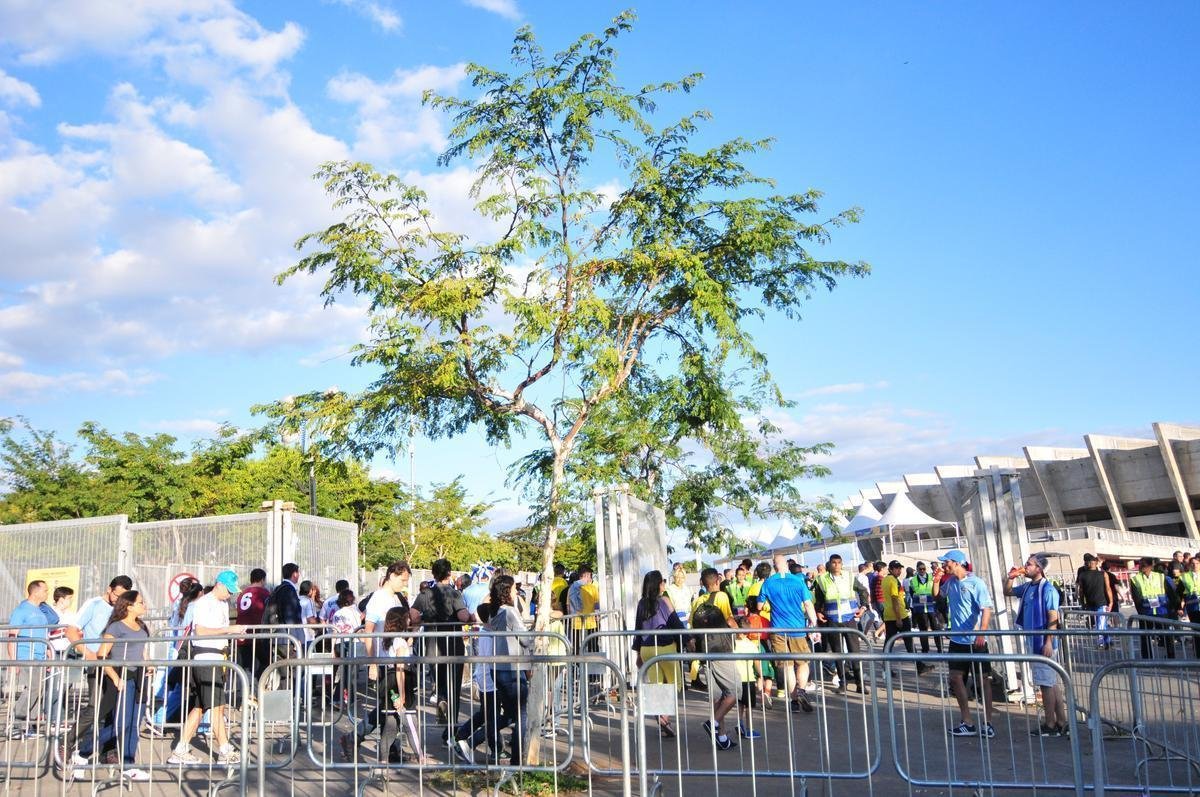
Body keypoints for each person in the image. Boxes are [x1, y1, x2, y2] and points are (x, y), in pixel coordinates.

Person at [167, 570, 246, 766]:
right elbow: (200, 631)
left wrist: (234, 635)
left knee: (200, 706)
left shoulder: (223, 604)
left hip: (218, 657)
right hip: (205, 658)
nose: (231, 594)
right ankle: (225, 749)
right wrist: (230, 630)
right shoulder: (204, 603)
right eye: (228, 589)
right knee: (217, 706)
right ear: (219, 584)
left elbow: (218, 630)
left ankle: (180, 749)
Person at [64, 575, 133, 767]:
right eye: (115, 594)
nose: (116, 599)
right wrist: (88, 653)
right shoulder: (93, 605)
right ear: (109, 589)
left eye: (122, 597)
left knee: (116, 710)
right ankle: (68, 742)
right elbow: (71, 631)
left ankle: (108, 751)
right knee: (95, 707)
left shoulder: (124, 608)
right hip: (97, 664)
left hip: (118, 664)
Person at [86, 591, 152, 781]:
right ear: (129, 606)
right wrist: (115, 677)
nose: (144, 605)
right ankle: (83, 751)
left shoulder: (141, 626)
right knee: (120, 725)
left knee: (134, 724)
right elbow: (102, 655)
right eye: (140, 602)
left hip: (140, 677)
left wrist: (149, 665)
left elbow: (142, 650)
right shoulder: (115, 627)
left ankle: (129, 765)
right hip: (122, 677)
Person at [1006, 555, 1067, 737]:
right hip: (1034, 639)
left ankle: (1050, 723)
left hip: (1043, 641)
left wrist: (1048, 640)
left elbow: (1052, 617)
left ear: (1039, 568)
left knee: (1045, 684)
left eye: (1029, 564)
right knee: (1050, 682)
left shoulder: (1047, 589)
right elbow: (1007, 592)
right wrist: (1010, 578)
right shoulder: (1027, 587)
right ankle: (1061, 721)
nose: (1025, 567)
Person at [939, 550, 995, 739]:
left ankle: (987, 723)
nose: (943, 566)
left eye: (946, 563)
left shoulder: (976, 583)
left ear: (957, 563)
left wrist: (982, 631)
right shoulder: (950, 582)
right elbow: (938, 595)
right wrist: (936, 579)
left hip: (975, 640)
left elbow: (986, 609)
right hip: (956, 640)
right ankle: (967, 721)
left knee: (983, 680)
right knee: (955, 678)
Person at [413, 557, 471, 726]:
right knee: (454, 684)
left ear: (433, 574)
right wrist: (469, 617)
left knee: (438, 679)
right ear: (449, 573)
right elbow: (462, 615)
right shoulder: (454, 593)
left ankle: (441, 698)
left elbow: (414, 614)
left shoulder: (425, 594)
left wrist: (423, 620)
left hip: (432, 644)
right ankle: (450, 728)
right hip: (453, 645)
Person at [758, 551, 818, 713]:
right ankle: (802, 690)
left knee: (787, 666)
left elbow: (759, 606)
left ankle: (793, 701)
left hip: (778, 629)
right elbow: (808, 604)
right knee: (803, 662)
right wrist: (814, 623)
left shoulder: (768, 583)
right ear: (787, 565)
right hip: (797, 628)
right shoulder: (798, 581)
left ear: (774, 566)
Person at [632, 570, 686, 737]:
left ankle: (663, 719)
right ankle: (664, 718)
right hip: (665, 648)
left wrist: (638, 652)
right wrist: (688, 639)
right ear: (658, 584)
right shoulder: (665, 601)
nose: (664, 583)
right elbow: (675, 622)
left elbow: (638, 628)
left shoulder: (642, 603)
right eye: (662, 581)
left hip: (647, 649)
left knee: (658, 685)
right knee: (673, 684)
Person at [453, 601, 505, 764]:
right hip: (490, 681)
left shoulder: (486, 632)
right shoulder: (488, 634)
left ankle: (461, 736)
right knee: (493, 717)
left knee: (486, 714)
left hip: (487, 679)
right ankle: (473, 743)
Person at [689, 579, 738, 751]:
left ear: (701, 582)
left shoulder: (697, 601)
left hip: (706, 651)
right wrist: (740, 634)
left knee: (718, 697)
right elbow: (730, 620)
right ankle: (713, 723)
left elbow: (692, 626)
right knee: (734, 692)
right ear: (717, 581)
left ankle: (721, 736)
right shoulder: (722, 596)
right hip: (722, 650)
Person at [488, 574, 532, 766]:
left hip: (497, 669)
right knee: (522, 715)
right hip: (512, 669)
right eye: (514, 589)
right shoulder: (510, 612)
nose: (517, 592)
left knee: (511, 715)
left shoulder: (493, 612)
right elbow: (525, 639)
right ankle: (517, 762)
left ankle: (472, 736)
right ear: (507, 591)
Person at [812, 554, 867, 694]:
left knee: (855, 652)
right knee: (837, 652)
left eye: (839, 563)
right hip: (833, 620)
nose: (836, 565)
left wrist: (864, 607)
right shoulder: (821, 579)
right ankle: (843, 683)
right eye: (833, 563)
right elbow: (817, 599)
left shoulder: (849, 577)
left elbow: (862, 591)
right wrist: (818, 611)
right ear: (829, 565)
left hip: (849, 619)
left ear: (842, 564)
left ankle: (860, 683)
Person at [6, 580, 53, 739]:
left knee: (39, 690)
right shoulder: (22, 610)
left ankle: (29, 726)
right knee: (33, 688)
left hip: (40, 656)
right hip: (26, 655)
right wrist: (13, 660)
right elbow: (12, 635)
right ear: (35, 592)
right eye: (45, 590)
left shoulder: (40, 611)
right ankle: (16, 723)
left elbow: (44, 632)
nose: (47, 593)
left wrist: (47, 650)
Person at [1129, 556, 1174, 660]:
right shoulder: (1135, 579)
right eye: (1140, 565)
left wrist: (1171, 609)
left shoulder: (1161, 577)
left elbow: (1170, 593)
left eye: (1144, 565)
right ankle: (1147, 657)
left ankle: (1171, 656)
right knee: (1145, 636)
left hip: (1162, 611)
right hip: (1146, 612)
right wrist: (1141, 612)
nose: (1142, 568)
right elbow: (1136, 598)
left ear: (1151, 566)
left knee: (1167, 634)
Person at [235, 568, 271, 685]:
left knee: (245, 668)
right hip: (257, 635)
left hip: (242, 635)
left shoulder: (242, 593)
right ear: (262, 579)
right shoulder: (264, 593)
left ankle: (246, 695)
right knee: (263, 666)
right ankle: (256, 693)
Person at [883, 560, 922, 668]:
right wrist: (899, 618)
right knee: (908, 641)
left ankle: (885, 667)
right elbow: (895, 599)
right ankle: (919, 666)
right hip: (899, 615)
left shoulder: (886, 579)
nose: (899, 570)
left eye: (900, 568)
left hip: (889, 615)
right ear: (890, 569)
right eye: (896, 568)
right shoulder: (893, 581)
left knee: (889, 643)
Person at [732, 617, 763, 739]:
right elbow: (757, 662)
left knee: (740, 704)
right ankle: (750, 729)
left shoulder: (733, 645)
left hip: (735, 678)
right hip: (748, 678)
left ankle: (739, 723)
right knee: (749, 706)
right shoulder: (751, 645)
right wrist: (761, 675)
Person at [1076, 554, 1113, 649]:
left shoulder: (1082, 575)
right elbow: (1108, 589)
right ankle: (1107, 640)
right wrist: (1111, 601)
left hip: (1096, 602)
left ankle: (1101, 642)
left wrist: (1082, 602)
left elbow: (1081, 591)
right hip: (1099, 602)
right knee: (1101, 622)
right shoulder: (1102, 574)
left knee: (1100, 623)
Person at [907, 561, 944, 655]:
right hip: (920, 608)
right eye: (920, 569)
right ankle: (925, 649)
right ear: (917, 569)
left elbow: (936, 589)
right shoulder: (913, 580)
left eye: (924, 569)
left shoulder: (931, 578)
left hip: (931, 607)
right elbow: (911, 593)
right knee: (923, 629)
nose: (922, 570)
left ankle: (940, 648)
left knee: (936, 627)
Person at [1177, 555, 1200, 658]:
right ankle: (1198, 654)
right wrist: (1179, 607)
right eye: (1193, 564)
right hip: (1193, 608)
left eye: (1197, 563)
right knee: (1196, 631)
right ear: (1189, 565)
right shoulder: (1184, 577)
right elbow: (1179, 593)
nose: (1195, 565)